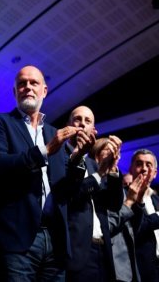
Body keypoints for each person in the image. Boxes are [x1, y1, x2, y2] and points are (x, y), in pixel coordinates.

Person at [0, 65, 84, 281]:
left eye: (33, 83)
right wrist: (45, 151)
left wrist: (77, 158)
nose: (27, 87)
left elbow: (67, 191)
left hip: (55, 240)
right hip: (17, 240)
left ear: (45, 91)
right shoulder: (0, 122)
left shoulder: (54, 132)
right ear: (14, 92)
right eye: (22, 83)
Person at [65, 106, 124, 282]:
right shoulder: (58, 156)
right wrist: (100, 174)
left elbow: (113, 203)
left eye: (87, 121)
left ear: (94, 131)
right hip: (76, 251)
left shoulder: (93, 164)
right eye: (77, 119)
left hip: (103, 250)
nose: (82, 124)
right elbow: (71, 195)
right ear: (68, 125)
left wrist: (112, 170)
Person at [91, 138, 145, 282]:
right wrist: (128, 203)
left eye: (117, 152)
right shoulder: (94, 185)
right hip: (111, 266)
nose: (114, 155)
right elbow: (105, 228)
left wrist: (137, 201)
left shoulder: (117, 185)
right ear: (96, 156)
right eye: (109, 151)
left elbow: (133, 227)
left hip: (130, 266)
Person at [130, 149, 159, 282]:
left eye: (148, 165)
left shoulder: (156, 199)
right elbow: (137, 228)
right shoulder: (123, 197)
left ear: (155, 173)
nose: (144, 169)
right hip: (142, 269)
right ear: (131, 169)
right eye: (139, 164)